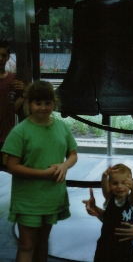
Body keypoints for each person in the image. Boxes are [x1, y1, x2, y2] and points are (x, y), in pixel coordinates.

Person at [2, 80, 78, 262]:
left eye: (47, 103)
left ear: (54, 102)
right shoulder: (20, 132)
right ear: (29, 104)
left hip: (52, 198)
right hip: (28, 201)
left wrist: (64, 166)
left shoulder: (61, 127)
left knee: (43, 242)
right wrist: (44, 174)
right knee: (27, 245)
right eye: (38, 103)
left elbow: (73, 155)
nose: (43, 107)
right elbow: (12, 166)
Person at [83, 164, 133, 262]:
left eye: (124, 183)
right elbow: (105, 189)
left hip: (125, 246)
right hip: (106, 244)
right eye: (115, 183)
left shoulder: (130, 202)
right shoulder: (110, 198)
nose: (120, 187)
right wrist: (104, 176)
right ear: (110, 185)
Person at [0, 38, 27, 168]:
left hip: (6, 138)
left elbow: (14, 108)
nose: (0, 58)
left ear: (8, 57)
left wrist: (25, 92)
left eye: (3, 55)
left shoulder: (13, 81)